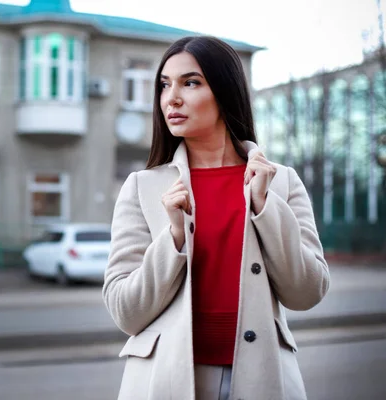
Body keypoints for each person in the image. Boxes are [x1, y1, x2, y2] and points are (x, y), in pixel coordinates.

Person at [102, 36, 329, 400]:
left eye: (190, 82)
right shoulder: (141, 188)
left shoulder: (279, 181)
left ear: (224, 91)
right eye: (164, 85)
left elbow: (307, 292)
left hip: (262, 380)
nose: (171, 98)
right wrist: (174, 237)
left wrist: (264, 208)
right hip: (166, 382)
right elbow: (126, 312)